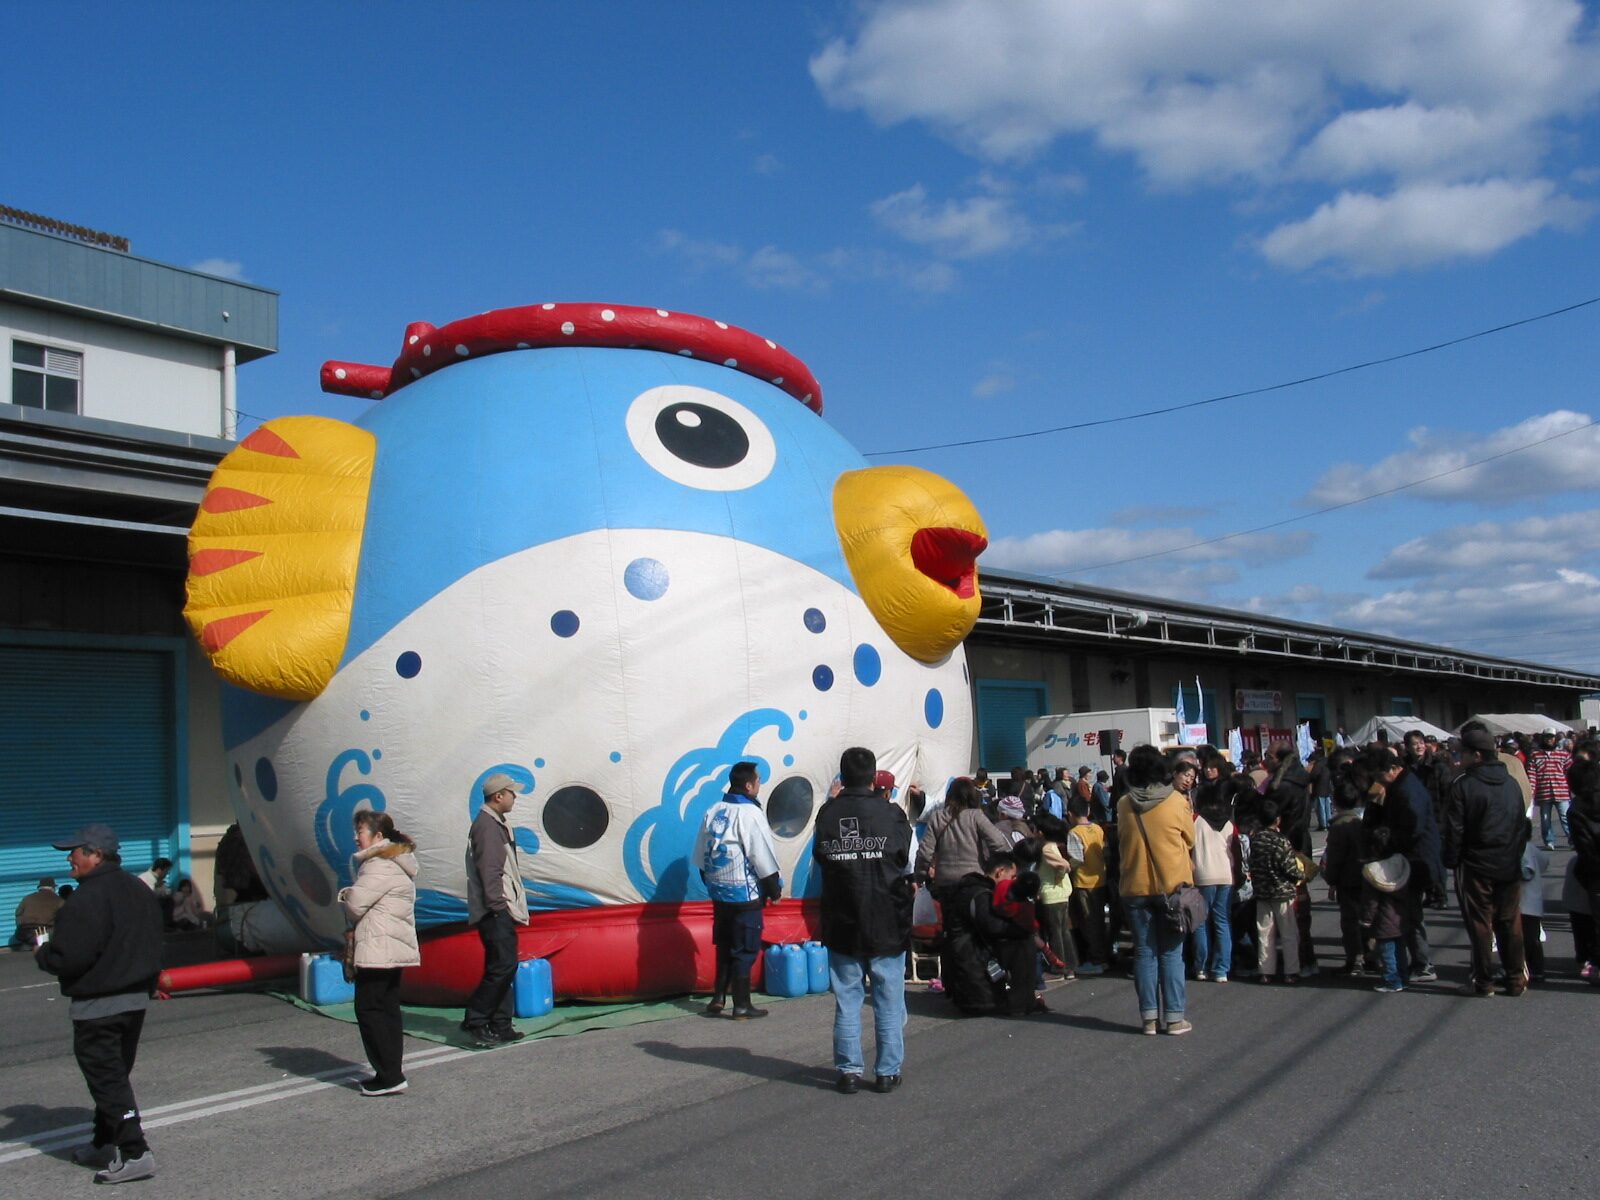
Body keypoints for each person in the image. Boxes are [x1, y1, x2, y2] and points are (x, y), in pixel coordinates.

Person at [35, 823, 163, 1184]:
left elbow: (68, 958)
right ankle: (103, 1141)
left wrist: (44, 953)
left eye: (74, 851)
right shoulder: (139, 890)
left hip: (98, 1005)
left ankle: (136, 1153)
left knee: (107, 1080)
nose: (69, 859)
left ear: (96, 854)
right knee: (114, 1075)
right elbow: (155, 942)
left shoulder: (85, 899)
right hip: (135, 1001)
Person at [812, 746, 913, 1094]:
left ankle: (849, 1071)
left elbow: (822, 858)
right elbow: (903, 856)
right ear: (873, 777)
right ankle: (887, 1071)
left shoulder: (827, 814)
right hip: (887, 915)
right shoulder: (893, 814)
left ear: (841, 777)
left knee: (848, 998)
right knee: (888, 997)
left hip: (843, 917)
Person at [1443, 725, 1531, 997]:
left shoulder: (1463, 785)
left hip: (1476, 864)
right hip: (1508, 861)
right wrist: (1515, 854)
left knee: (1481, 924)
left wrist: (1452, 860)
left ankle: (1483, 981)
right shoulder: (1511, 783)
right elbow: (1522, 824)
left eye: (1463, 754)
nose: (1459, 759)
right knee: (1509, 921)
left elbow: (1454, 830)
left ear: (1477, 755)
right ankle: (1516, 978)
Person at [694, 761, 783, 1020]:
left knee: (724, 943)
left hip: (719, 891)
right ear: (748, 785)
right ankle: (742, 1004)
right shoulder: (750, 814)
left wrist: (712, 884)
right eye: (757, 780)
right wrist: (773, 890)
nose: (759, 784)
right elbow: (762, 856)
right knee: (745, 948)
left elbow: (701, 855)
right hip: (744, 894)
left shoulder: (713, 810)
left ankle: (718, 997)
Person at [340, 809, 420, 1095]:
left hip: (377, 946)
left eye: (360, 831)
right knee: (387, 1009)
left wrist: (346, 894)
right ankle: (391, 1071)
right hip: (391, 945)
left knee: (369, 1009)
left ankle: (388, 1075)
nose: (356, 837)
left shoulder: (378, 864)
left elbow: (356, 905)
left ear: (378, 836)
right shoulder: (396, 862)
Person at [1117, 745, 1195, 1035]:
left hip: (1134, 886)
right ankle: (1174, 1017)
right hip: (1171, 886)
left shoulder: (1125, 804)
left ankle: (1149, 1018)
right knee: (1171, 954)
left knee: (1144, 953)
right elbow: (1190, 839)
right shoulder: (1176, 801)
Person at [1362, 744, 1444, 983]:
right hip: (1414, 855)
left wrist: (1388, 840)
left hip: (1415, 858)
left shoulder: (1407, 791)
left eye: (1379, 775)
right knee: (1406, 914)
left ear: (1392, 768)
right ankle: (1415, 962)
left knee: (1410, 915)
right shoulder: (1403, 785)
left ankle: (1422, 963)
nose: (1378, 781)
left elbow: (1413, 828)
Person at [462, 773, 530, 1046]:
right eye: (512, 792)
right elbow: (489, 870)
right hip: (495, 910)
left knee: (502, 966)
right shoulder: (488, 827)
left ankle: (501, 1024)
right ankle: (476, 1019)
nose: (516, 797)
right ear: (498, 796)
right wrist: (497, 907)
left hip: (498, 907)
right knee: (503, 965)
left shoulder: (495, 824)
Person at [916, 777, 1011, 906]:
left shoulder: (937, 817)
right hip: (973, 880)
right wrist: (991, 867)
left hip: (945, 881)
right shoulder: (976, 816)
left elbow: (924, 853)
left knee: (950, 923)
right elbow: (999, 843)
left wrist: (921, 876)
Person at [1322, 782, 1375, 976]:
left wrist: (1331, 879)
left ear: (1335, 802)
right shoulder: (1360, 822)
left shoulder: (1339, 826)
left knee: (1350, 922)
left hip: (1347, 878)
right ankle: (1370, 955)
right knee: (1367, 917)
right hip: (1366, 876)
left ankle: (1355, 960)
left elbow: (1335, 857)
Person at [1249, 799, 1304, 985]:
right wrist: (1302, 873)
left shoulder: (1256, 840)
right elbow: (1290, 869)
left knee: (1264, 933)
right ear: (1277, 820)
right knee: (1288, 933)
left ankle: (1265, 971)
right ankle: (1291, 971)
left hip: (1262, 892)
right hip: (1283, 892)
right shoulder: (1281, 841)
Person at [1189, 780, 1236, 983]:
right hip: (1226, 875)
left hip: (1202, 876)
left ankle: (1201, 967)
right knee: (1222, 921)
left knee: (1200, 923)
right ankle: (1222, 969)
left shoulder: (1195, 820)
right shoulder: (1228, 823)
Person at [1359, 825, 1410, 994]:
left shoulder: (1373, 871)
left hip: (1383, 919)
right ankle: (1403, 977)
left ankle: (1392, 981)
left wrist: (1366, 920)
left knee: (1386, 952)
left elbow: (1371, 902)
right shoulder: (1401, 862)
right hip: (1401, 915)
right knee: (1400, 950)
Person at [1064, 801, 1109, 973]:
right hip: (1100, 878)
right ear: (1088, 810)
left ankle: (1096, 959)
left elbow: (1076, 859)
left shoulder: (1074, 832)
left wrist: (1063, 866)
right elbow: (1106, 852)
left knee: (1089, 921)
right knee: (1099, 920)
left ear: (1070, 814)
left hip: (1083, 881)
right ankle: (1103, 955)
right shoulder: (1097, 828)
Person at [1530, 733, 1573, 850]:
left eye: (1552, 737)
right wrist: (1532, 789)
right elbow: (1532, 774)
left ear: (1555, 739)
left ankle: (1573, 839)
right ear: (1543, 739)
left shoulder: (1563, 754)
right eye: (1547, 737)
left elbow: (1570, 771)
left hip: (1561, 791)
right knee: (1545, 818)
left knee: (1566, 816)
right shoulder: (1535, 755)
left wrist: (1572, 787)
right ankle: (1549, 841)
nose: (1549, 740)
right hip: (1544, 792)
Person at [12, 876, 64, 948]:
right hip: (44, 935)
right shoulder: (59, 900)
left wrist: (21, 927)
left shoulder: (27, 898)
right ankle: (40, 943)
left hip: (23, 934)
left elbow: (18, 913)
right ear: (53, 888)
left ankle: (30, 943)